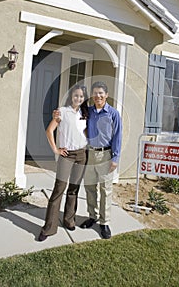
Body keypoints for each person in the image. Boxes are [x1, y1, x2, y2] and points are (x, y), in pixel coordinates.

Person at [38, 84, 88, 241]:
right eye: (76, 95)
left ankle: (69, 220)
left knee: (74, 189)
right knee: (59, 189)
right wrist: (56, 150)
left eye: (81, 96)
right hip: (66, 155)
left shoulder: (86, 113)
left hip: (82, 155)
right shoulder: (62, 112)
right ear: (71, 96)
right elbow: (49, 130)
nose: (78, 98)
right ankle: (48, 228)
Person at [80, 81, 122, 239]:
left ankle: (104, 223)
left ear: (106, 95)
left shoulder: (113, 113)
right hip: (90, 154)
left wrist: (115, 158)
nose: (98, 96)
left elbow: (118, 136)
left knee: (105, 190)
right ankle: (93, 216)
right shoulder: (88, 112)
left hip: (106, 155)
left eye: (101, 93)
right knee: (90, 187)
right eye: (95, 93)